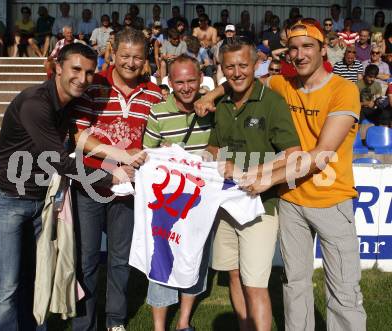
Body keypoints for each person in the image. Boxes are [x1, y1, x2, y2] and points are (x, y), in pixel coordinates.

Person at [195, 18, 367, 331]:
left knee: (343, 288)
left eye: (307, 47)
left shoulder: (344, 90)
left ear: (323, 50)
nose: (300, 55)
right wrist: (211, 95)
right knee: (294, 283)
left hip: (331, 199)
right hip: (291, 201)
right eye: (293, 49)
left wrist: (264, 176)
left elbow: (319, 155)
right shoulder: (281, 84)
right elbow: (240, 76)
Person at [0, 43, 139, 331]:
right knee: (7, 285)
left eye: (90, 72)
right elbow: (58, 161)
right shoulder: (36, 103)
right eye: (76, 69)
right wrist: (110, 177)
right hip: (7, 198)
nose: (83, 78)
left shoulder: (67, 105)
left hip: (39, 199)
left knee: (35, 277)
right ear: (58, 68)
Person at [70, 28, 162, 331]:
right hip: (90, 183)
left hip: (128, 189)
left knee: (121, 260)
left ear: (145, 57)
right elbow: (79, 137)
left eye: (137, 57)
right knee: (86, 259)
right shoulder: (93, 86)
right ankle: (84, 322)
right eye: (125, 56)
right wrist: (118, 160)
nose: (131, 63)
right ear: (113, 52)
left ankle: (115, 321)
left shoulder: (153, 93)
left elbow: (158, 140)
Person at [207, 40, 301, 331]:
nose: (236, 72)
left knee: (255, 284)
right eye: (230, 66)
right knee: (233, 275)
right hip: (226, 204)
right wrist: (206, 161)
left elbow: (293, 153)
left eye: (243, 65)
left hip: (261, 205)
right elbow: (213, 147)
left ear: (255, 66)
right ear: (222, 69)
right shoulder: (221, 104)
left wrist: (249, 172)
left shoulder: (271, 101)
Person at [143, 54, 214, 331]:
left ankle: (183, 322)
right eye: (179, 81)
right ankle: (159, 327)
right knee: (161, 259)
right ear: (169, 82)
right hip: (166, 200)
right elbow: (146, 153)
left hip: (199, 200)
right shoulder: (158, 111)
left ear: (201, 80)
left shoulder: (213, 108)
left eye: (191, 81)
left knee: (195, 257)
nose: (186, 87)